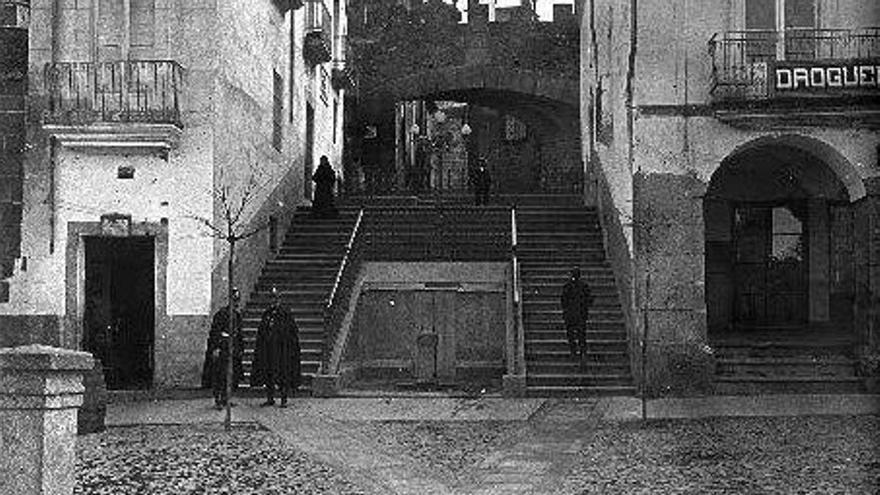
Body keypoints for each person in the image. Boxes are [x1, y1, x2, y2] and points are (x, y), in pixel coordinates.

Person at [251, 287, 302, 408]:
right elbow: (262, 331)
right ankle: (270, 398)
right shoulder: (267, 313)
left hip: (281, 350)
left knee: (283, 374)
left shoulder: (285, 313)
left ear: (279, 299)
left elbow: (292, 332)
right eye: (271, 298)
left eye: (275, 298)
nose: (273, 301)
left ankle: (283, 398)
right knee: (269, 374)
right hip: (268, 350)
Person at [202, 288, 244, 409]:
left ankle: (226, 398)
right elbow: (215, 333)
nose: (236, 302)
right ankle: (218, 399)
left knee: (231, 375)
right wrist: (216, 348)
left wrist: (241, 348)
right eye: (234, 299)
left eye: (237, 300)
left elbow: (239, 333)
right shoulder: (221, 314)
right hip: (223, 348)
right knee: (219, 375)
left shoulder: (237, 315)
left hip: (233, 348)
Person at [560, 267, 593, 367]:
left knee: (571, 334)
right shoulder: (584, 286)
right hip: (581, 314)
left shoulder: (567, 286)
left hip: (570, 314)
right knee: (581, 334)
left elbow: (563, 300)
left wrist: (566, 309)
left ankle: (573, 351)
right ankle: (582, 351)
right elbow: (589, 299)